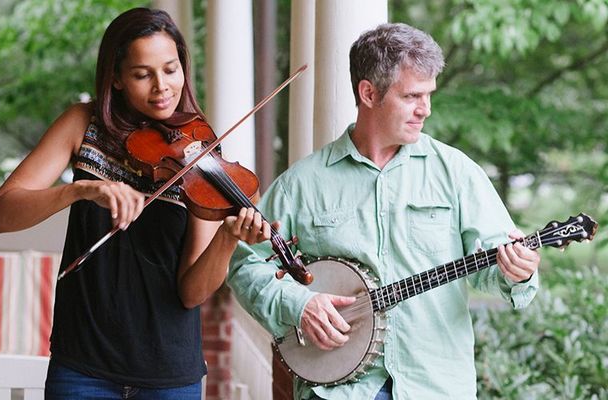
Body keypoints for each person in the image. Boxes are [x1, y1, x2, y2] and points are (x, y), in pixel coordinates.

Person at [227, 23, 541, 400]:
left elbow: (496, 269)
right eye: (412, 96)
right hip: (338, 392)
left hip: (435, 387)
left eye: (429, 95)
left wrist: (518, 271)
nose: (425, 109)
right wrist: (299, 305)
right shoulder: (302, 184)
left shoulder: (457, 173)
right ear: (369, 92)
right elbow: (246, 265)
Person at [0, 7, 271, 400]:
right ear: (116, 79)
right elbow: (0, 215)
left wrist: (227, 238)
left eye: (171, 70)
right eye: (142, 74)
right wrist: (81, 190)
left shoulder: (200, 151)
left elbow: (191, 293)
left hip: (169, 375)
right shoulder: (81, 126)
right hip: (83, 367)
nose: (162, 87)